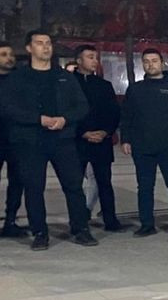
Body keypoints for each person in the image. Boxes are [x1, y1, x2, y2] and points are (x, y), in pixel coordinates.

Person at [0, 30, 96, 249]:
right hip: (30, 141)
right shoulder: (17, 78)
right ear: (29, 48)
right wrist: (38, 119)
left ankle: (80, 229)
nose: (45, 47)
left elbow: (82, 106)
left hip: (62, 140)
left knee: (73, 185)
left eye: (48, 43)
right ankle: (40, 232)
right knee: (34, 188)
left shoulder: (64, 77)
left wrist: (65, 119)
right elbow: (7, 109)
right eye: (40, 43)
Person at [121, 48, 168, 237]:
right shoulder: (135, 90)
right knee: (144, 187)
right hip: (142, 147)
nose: (150, 64)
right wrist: (125, 139)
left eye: (154, 60)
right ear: (142, 64)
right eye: (146, 61)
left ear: (162, 63)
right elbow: (127, 117)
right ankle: (147, 224)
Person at [72, 44, 124, 232]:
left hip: (102, 142)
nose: (95, 61)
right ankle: (78, 221)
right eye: (90, 57)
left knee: (105, 183)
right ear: (79, 60)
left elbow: (114, 113)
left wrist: (105, 131)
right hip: (77, 142)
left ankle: (110, 220)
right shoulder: (69, 84)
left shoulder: (104, 85)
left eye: (96, 57)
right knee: (74, 185)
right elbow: (66, 112)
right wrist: (83, 132)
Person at [0, 41, 26, 237]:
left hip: (17, 139)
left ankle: (10, 220)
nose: (9, 58)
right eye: (3, 54)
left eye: (11, 54)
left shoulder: (21, 80)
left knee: (17, 181)